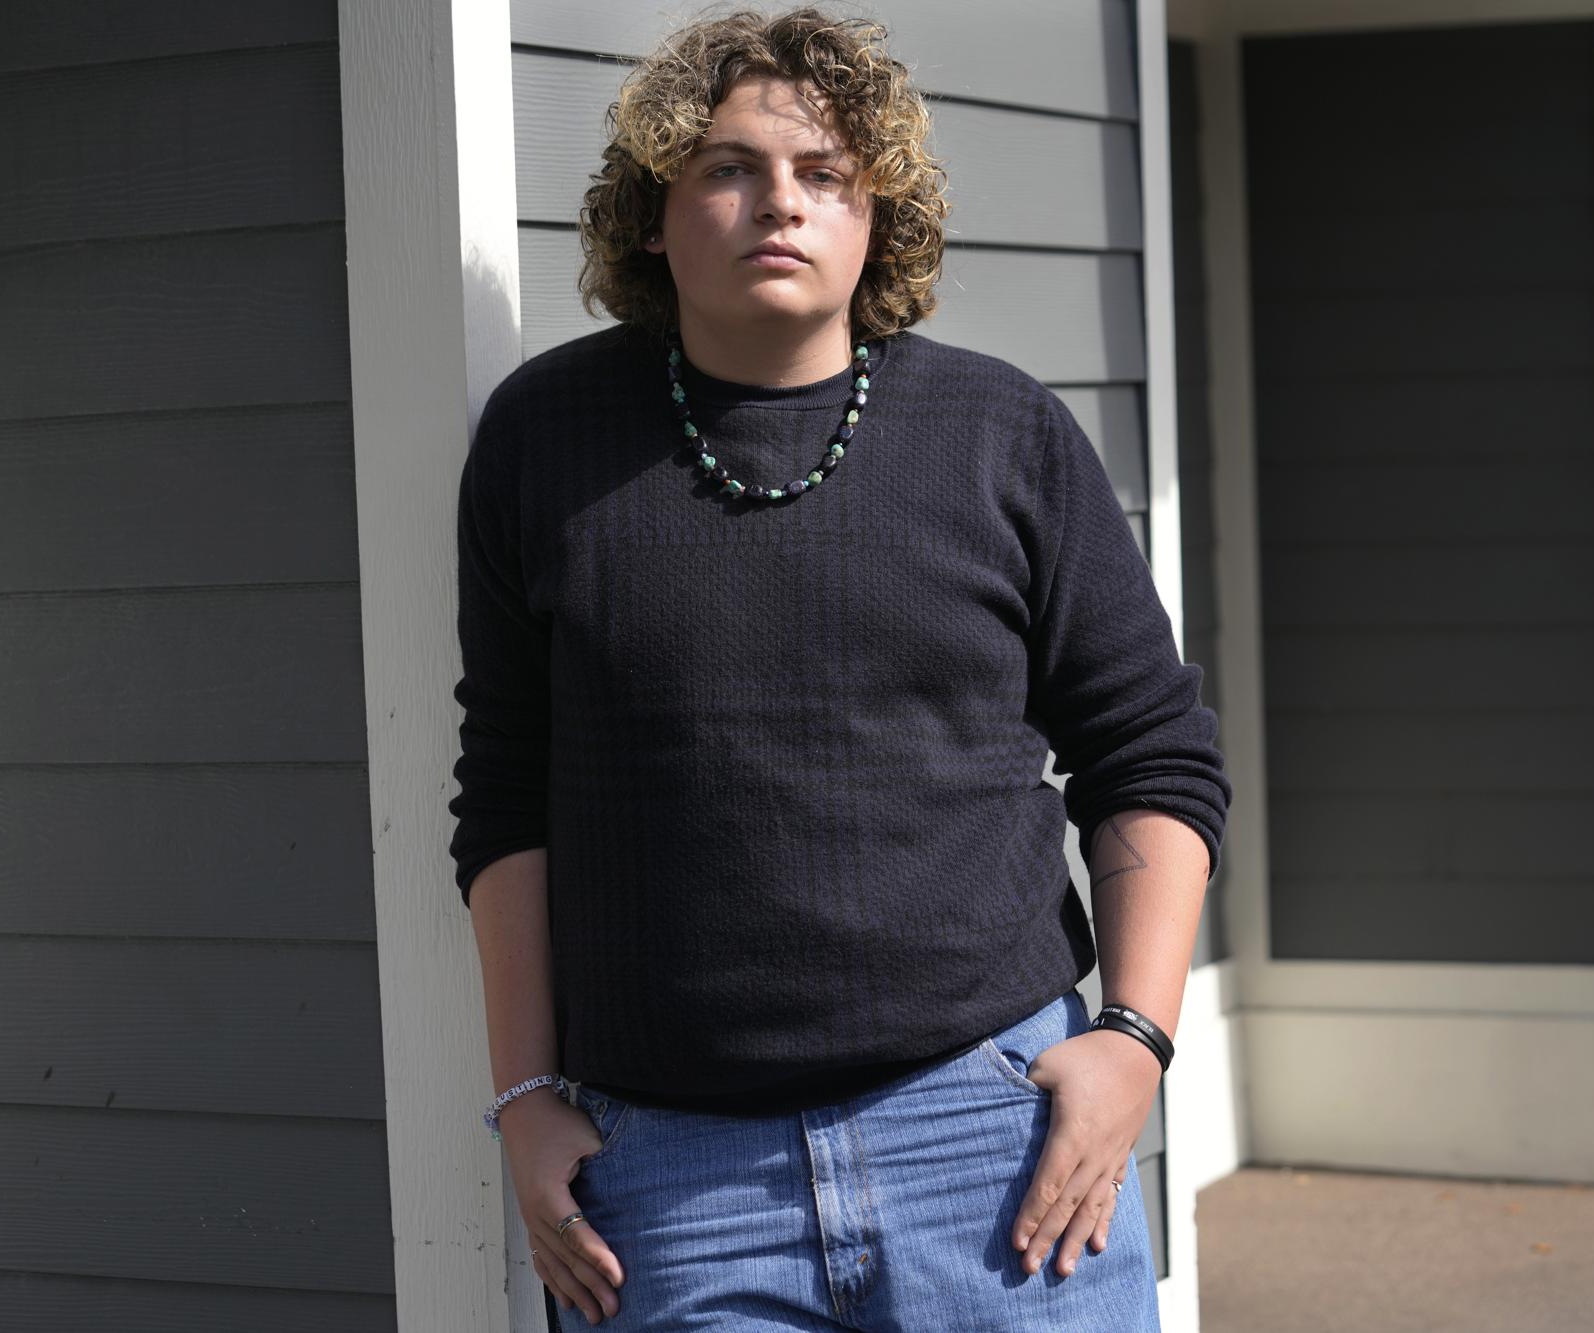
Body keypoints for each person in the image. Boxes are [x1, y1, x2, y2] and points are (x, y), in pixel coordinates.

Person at [447, 7, 1231, 1329]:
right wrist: (524, 1098)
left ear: (880, 219)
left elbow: (1151, 756)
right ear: (653, 215)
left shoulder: (1002, 435)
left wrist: (1135, 1043)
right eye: (728, 168)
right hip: (674, 1187)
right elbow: (508, 791)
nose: (780, 201)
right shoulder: (546, 442)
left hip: (997, 1143)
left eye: (824, 172)